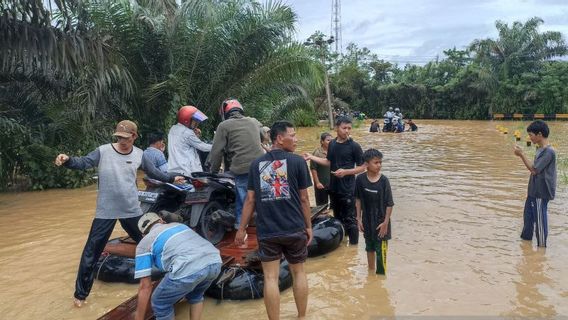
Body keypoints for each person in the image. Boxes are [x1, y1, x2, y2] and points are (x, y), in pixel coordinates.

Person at [54, 120, 184, 307]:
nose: (122, 141)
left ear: (134, 136)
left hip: (131, 209)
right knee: (91, 252)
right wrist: (68, 160)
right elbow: (84, 162)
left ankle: (173, 272)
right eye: (119, 137)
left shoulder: (140, 154)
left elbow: (154, 172)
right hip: (106, 211)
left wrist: (172, 177)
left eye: (126, 138)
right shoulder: (103, 151)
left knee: (150, 243)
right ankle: (80, 295)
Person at [235, 121, 313, 320]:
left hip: (268, 230)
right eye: (293, 135)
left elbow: (250, 200)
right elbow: (304, 198)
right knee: (299, 272)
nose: (296, 140)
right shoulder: (297, 162)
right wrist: (309, 226)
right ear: (280, 138)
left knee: (270, 278)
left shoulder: (256, 165)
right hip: (294, 228)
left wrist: (241, 229)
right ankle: (302, 317)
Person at [134, 212, 221, 320]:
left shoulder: (143, 244)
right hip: (215, 261)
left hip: (189, 268)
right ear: (161, 221)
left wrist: (138, 317)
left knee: (160, 302)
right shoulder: (180, 226)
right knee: (196, 296)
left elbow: (145, 286)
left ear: (143, 234)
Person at [304, 116, 366, 245]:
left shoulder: (354, 146)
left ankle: (353, 248)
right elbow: (328, 162)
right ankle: (342, 243)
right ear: (337, 128)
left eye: (349, 128)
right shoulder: (332, 144)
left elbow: (363, 167)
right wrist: (311, 157)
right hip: (334, 188)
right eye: (344, 128)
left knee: (351, 220)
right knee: (337, 218)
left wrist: (346, 172)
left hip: (348, 189)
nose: (347, 131)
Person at [208, 99, 265, 229]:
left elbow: (216, 152)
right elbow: (261, 136)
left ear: (226, 113)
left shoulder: (223, 126)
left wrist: (214, 172)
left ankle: (240, 224)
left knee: (243, 197)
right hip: (262, 166)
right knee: (262, 194)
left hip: (241, 167)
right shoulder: (254, 121)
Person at [513, 120, 556, 247]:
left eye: (531, 134)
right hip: (533, 191)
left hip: (540, 193)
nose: (529, 137)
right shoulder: (539, 150)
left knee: (540, 221)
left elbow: (534, 170)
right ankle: (526, 247)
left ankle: (542, 248)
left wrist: (521, 154)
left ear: (539, 134)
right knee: (528, 219)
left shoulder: (549, 152)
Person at [355, 149, 394, 274]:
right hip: (367, 222)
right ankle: (370, 276)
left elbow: (389, 204)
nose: (379, 165)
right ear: (366, 164)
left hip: (381, 224)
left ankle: (381, 280)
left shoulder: (384, 181)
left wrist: (385, 224)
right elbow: (358, 200)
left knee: (381, 257)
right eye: (376, 163)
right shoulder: (360, 179)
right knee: (369, 248)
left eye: (380, 162)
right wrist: (358, 219)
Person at [167, 105, 212, 176]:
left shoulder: (173, 129)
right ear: (186, 120)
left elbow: (183, 143)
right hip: (187, 171)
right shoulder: (187, 133)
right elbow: (203, 147)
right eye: (195, 121)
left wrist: (194, 135)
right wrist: (219, 145)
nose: (197, 124)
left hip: (173, 169)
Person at [310, 132, 332, 206]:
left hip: (332, 183)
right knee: (321, 207)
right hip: (321, 184)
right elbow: (313, 169)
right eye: (328, 140)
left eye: (331, 140)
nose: (330, 142)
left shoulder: (333, 151)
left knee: (335, 206)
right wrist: (317, 183)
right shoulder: (317, 153)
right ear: (322, 142)